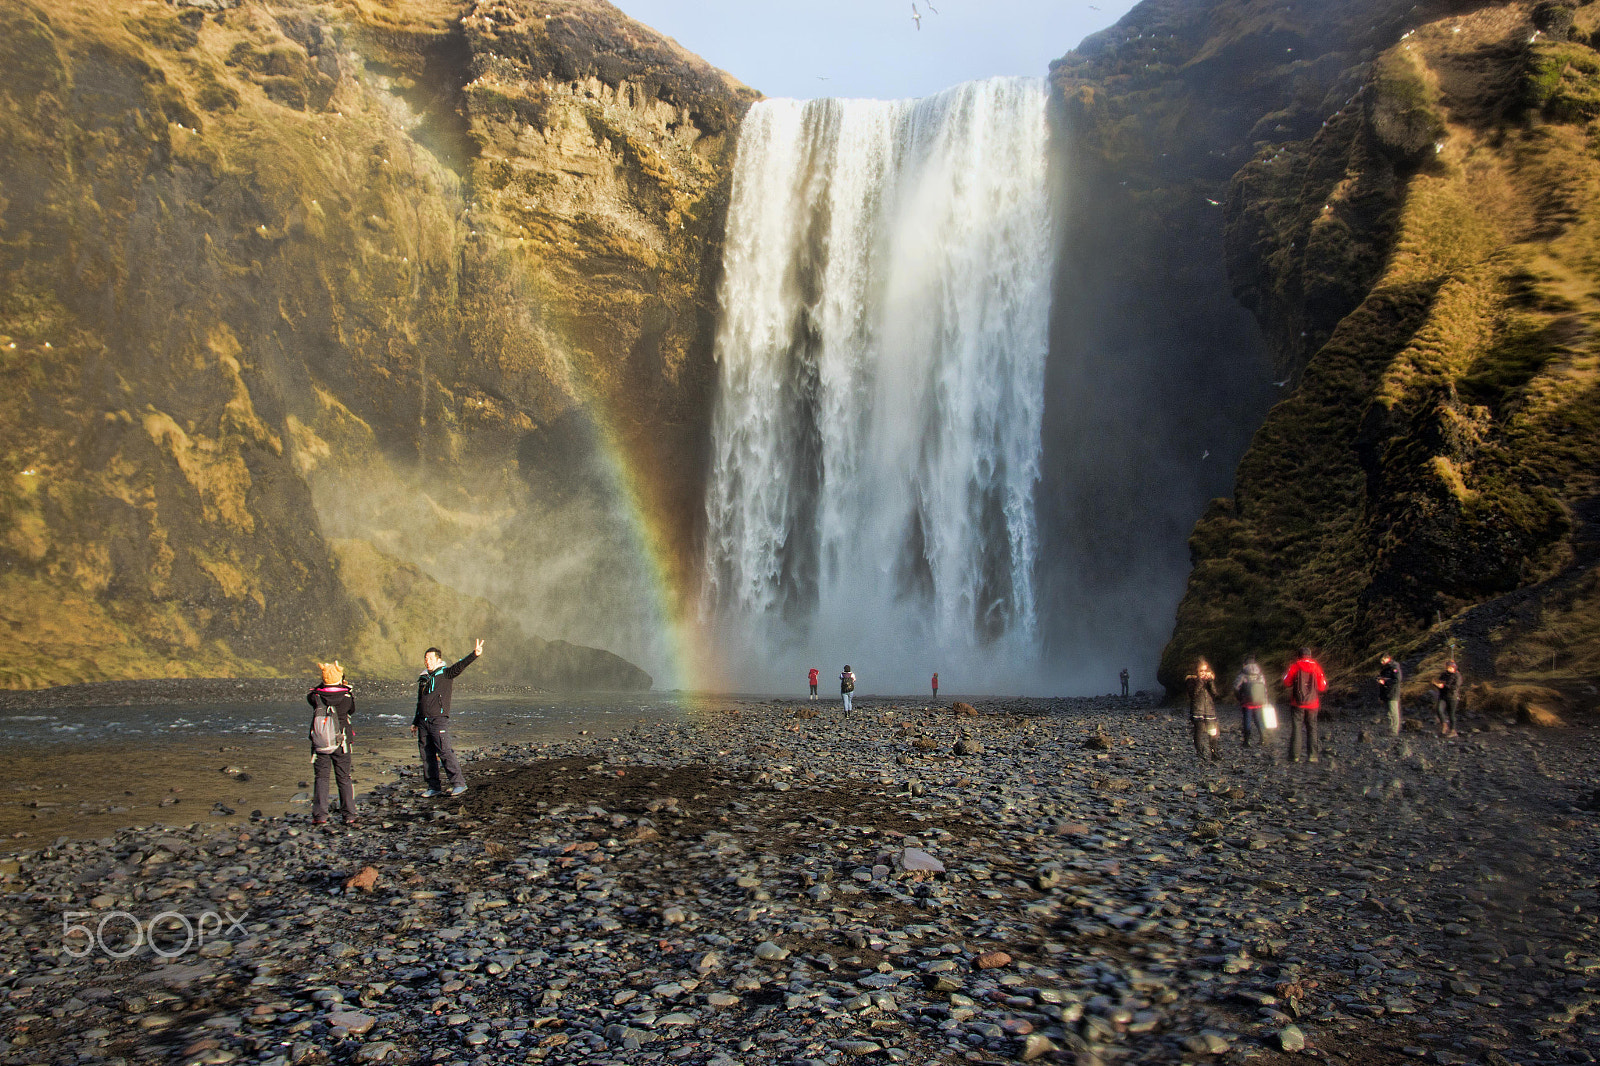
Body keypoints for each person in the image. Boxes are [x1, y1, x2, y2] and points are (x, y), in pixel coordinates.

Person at [411, 639, 483, 797]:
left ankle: (459, 784)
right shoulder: (423, 678)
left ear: (438, 660)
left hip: (438, 720)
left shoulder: (445, 673)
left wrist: (474, 654)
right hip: (423, 722)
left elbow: (460, 666)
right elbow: (420, 701)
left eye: (430, 658)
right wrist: (415, 722)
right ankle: (433, 787)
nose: (427, 661)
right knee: (426, 755)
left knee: (444, 752)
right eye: (426, 658)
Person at [308, 660, 357, 826]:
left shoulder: (316, 696)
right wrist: (343, 684)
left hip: (320, 742)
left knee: (321, 778)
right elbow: (352, 710)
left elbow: (311, 695)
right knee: (343, 777)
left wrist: (324, 679)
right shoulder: (346, 697)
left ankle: (320, 816)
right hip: (342, 742)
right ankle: (349, 814)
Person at [1282, 647, 1328, 762]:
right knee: (1312, 728)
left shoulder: (1295, 666)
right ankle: (1312, 755)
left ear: (1299, 655)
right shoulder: (1316, 667)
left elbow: (1286, 682)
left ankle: (1295, 756)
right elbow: (1322, 686)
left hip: (1297, 702)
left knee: (1297, 728)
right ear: (1310, 655)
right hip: (1313, 703)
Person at [1186, 658, 1221, 761]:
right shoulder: (1190, 680)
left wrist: (1210, 682)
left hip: (1209, 710)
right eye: (1201, 671)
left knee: (1213, 732)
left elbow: (1215, 694)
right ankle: (1200, 753)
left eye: (1205, 671)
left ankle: (1214, 752)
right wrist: (1200, 681)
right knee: (1199, 732)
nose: (1204, 673)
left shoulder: (1209, 681)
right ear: (1196, 671)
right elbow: (1193, 694)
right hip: (1197, 710)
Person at [1232, 655, 1268, 747]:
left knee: (1247, 720)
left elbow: (1236, 687)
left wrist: (1239, 697)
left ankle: (1247, 741)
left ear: (1245, 664)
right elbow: (1264, 688)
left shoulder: (1243, 674)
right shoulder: (1259, 674)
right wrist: (1264, 699)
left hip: (1247, 702)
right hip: (1259, 701)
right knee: (1259, 719)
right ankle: (1263, 739)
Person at [1434, 660, 1463, 737]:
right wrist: (1437, 685)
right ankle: (1444, 725)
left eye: (1450, 667)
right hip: (1443, 695)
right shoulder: (1444, 674)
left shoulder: (1457, 676)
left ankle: (1453, 730)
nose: (1449, 669)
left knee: (1451, 714)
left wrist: (1444, 686)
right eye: (1448, 667)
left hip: (1452, 697)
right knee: (1438, 710)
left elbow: (1455, 687)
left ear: (1454, 667)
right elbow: (1440, 682)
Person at [1377, 653, 1404, 736]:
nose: (1381, 662)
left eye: (1383, 660)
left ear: (1387, 658)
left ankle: (1394, 730)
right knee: (1388, 712)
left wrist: (1385, 682)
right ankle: (1390, 728)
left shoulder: (1394, 666)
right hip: (1386, 692)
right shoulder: (1386, 667)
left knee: (1394, 711)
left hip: (1393, 692)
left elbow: (1397, 679)